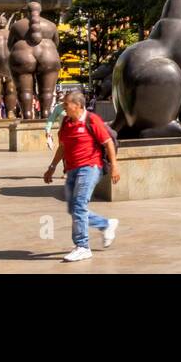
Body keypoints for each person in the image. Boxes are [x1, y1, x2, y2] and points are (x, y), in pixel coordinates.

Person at [43, 89, 119, 262]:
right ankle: (106, 224)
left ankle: (83, 246)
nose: (63, 107)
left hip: (90, 167)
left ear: (77, 105)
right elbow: (62, 146)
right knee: (74, 208)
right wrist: (52, 166)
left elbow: (107, 143)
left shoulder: (92, 120)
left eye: (66, 104)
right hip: (71, 169)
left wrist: (114, 166)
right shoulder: (66, 123)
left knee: (78, 205)